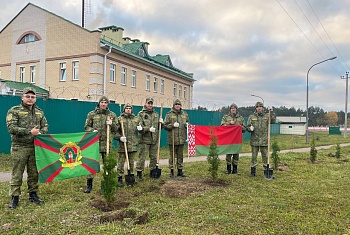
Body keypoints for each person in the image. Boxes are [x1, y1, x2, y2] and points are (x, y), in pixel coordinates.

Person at [6, 87, 49, 209]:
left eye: (33, 97)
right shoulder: (14, 111)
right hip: (19, 147)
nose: (30, 99)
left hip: (35, 147)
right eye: (28, 96)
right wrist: (30, 131)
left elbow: (45, 126)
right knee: (17, 173)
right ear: (22, 97)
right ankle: (15, 197)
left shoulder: (39, 112)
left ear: (35, 99)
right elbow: (12, 128)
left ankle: (33, 194)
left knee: (33, 173)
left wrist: (40, 132)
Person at [84, 96, 117, 193]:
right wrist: (93, 130)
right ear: (99, 103)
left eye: (105, 102)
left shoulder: (112, 115)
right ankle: (89, 185)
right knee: (92, 163)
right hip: (94, 143)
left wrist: (111, 124)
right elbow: (86, 126)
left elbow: (116, 129)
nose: (103, 104)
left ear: (107, 104)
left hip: (107, 143)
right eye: (102, 102)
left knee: (107, 164)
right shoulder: (92, 114)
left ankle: (106, 183)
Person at [246, 101, 276, 177]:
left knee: (265, 156)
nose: (259, 108)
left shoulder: (266, 116)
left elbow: (273, 121)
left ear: (262, 108)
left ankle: (267, 171)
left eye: (260, 107)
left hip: (264, 140)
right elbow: (247, 126)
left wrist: (271, 112)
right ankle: (253, 172)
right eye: (258, 107)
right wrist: (250, 128)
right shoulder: (251, 117)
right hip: (254, 140)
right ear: (256, 108)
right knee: (254, 157)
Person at [135, 97, 161, 180]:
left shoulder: (156, 114)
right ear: (145, 103)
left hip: (154, 139)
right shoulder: (141, 114)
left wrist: (161, 123)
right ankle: (139, 173)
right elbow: (139, 127)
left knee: (153, 157)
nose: (150, 105)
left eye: (151, 103)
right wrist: (148, 129)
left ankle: (152, 172)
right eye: (148, 103)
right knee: (142, 157)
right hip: (145, 139)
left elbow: (159, 127)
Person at [163, 99, 190, 177]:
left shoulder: (184, 114)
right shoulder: (169, 114)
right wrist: (172, 125)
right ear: (174, 106)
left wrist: (187, 125)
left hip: (181, 138)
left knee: (180, 156)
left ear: (180, 106)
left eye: (179, 105)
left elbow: (188, 123)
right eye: (176, 105)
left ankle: (180, 171)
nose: (177, 106)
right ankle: (172, 171)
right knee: (172, 156)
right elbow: (165, 126)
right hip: (172, 139)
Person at [114, 103, 140, 186]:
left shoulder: (136, 119)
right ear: (124, 109)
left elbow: (141, 129)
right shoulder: (120, 119)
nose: (128, 109)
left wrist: (141, 128)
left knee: (131, 162)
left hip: (133, 145)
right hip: (123, 146)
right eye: (127, 108)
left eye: (130, 108)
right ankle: (120, 178)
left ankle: (131, 176)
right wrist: (120, 137)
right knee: (121, 163)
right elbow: (114, 132)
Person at [221, 103, 246, 175]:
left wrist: (239, 126)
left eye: (234, 108)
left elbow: (244, 129)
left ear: (236, 109)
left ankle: (235, 169)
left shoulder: (240, 118)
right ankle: (228, 169)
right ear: (230, 110)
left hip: (237, 139)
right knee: (228, 154)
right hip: (228, 139)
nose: (233, 109)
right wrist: (229, 123)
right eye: (232, 108)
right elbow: (222, 126)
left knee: (236, 154)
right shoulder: (226, 117)